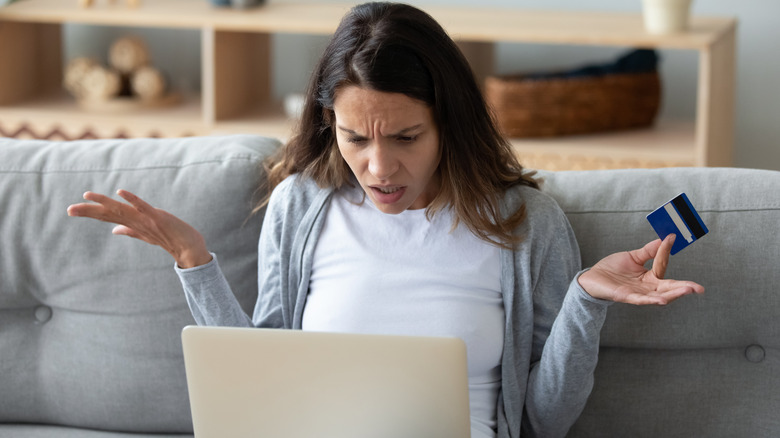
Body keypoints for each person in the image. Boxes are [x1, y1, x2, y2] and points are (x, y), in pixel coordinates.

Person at [67, 2, 704, 437]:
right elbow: (257, 386)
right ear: (329, 127)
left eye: (405, 137)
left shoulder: (523, 223)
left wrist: (586, 300)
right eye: (354, 138)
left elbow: (544, 420)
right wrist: (195, 264)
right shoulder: (302, 207)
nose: (378, 168)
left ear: (447, 123)